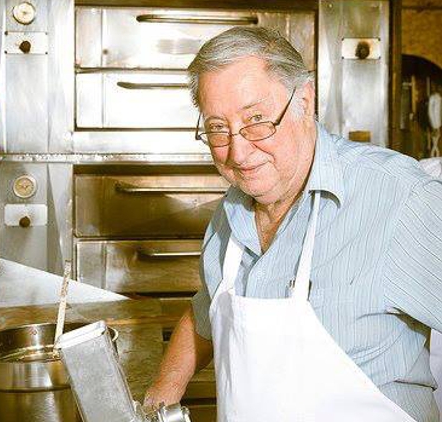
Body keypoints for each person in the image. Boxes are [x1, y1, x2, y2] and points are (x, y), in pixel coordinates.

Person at [144, 27, 442, 422]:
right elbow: (205, 313)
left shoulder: (397, 198)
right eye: (217, 128)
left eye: (256, 120)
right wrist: (158, 398)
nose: (238, 151)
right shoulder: (227, 218)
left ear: (304, 99)